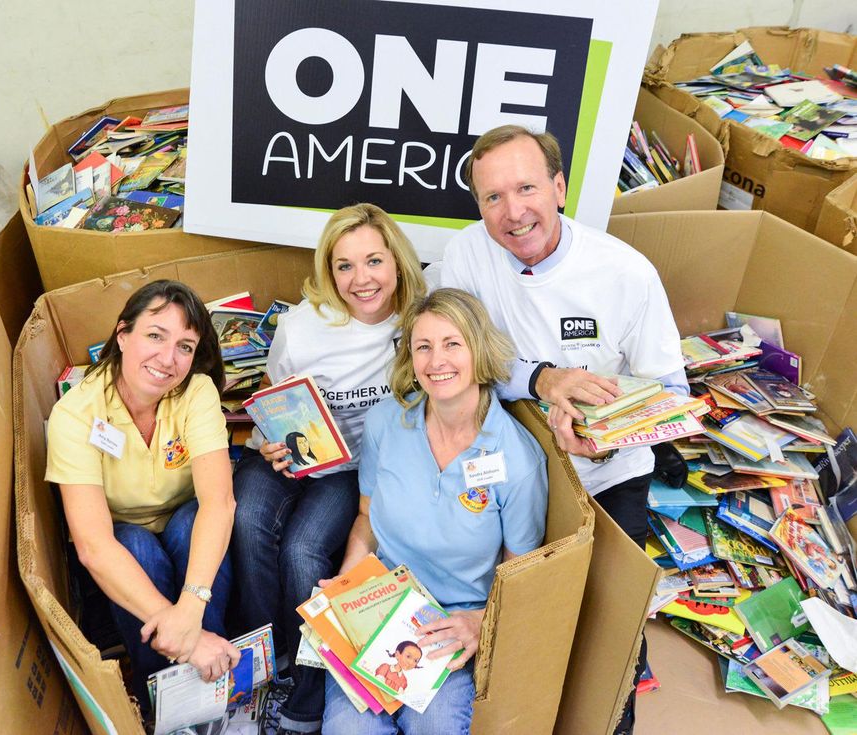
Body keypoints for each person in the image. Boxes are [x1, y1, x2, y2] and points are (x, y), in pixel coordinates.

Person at [437, 125, 689, 733]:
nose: (512, 212)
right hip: (508, 467)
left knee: (608, 634)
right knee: (522, 614)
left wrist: (604, 431)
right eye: (492, 197)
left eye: (526, 188)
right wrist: (545, 378)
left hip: (606, 475)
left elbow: (673, 397)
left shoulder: (626, 273)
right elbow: (461, 359)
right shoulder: (467, 253)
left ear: (559, 186)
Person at [231, 203, 426, 734]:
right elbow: (273, 402)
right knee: (245, 520)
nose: (361, 280)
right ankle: (268, 658)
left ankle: (310, 673)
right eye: (344, 266)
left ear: (397, 262)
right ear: (328, 270)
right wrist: (271, 442)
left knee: (303, 548)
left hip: (350, 469)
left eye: (373, 262)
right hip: (284, 457)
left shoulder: (417, 323)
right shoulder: (302, 327)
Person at [321, 288, 548, 735]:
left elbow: (520, 569)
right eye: (423, 346)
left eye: (452, 344)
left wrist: (481, 623)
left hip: (453, 622)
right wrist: (348, 585)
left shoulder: (518, 459)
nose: (436, 360)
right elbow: (366, 517)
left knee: (438, 729)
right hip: (380, 606)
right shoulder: (387, 421)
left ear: (478, 350)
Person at [45, 280, 238, 719]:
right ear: (122, 335)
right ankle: (165, 692)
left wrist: (189, 609)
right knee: (134, 545)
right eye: (155, 335)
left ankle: (214, 682)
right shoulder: (76, 414)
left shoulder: (196, 392)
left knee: (193, 522)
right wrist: (182, 632)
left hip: (186, 523)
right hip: (121, 537)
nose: (168, 359)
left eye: (185, 346)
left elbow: (219, 504)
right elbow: (93, 545)